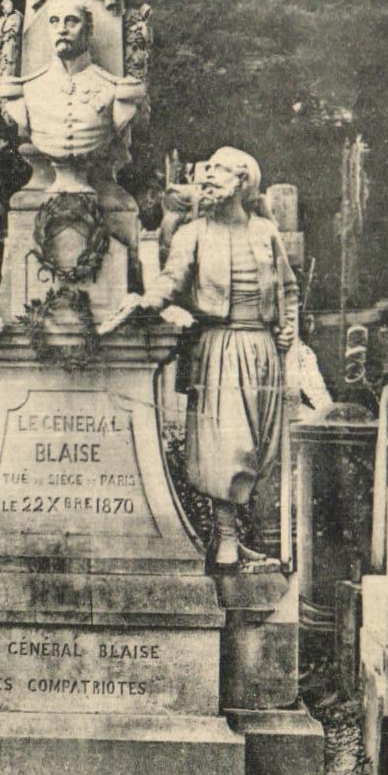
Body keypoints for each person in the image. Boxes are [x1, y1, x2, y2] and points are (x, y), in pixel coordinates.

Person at [139, 147, 299, 570]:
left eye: (218, 173)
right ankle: (226, 538)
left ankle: (228, 538)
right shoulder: (193, 233)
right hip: (219, 348)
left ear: (242, 183)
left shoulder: (265, 232)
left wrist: (288, 326)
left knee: (259, 450)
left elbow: (290, 288)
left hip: (263, 347)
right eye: (206, 172)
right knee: (227, 447)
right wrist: (150, 300)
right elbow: (172, 279)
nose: (207, 179)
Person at [0, 0, 142, 188]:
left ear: (88, 29)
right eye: (54, 21)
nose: (62, 29)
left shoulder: (113, 91)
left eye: (72, 21)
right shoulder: (29, 90)